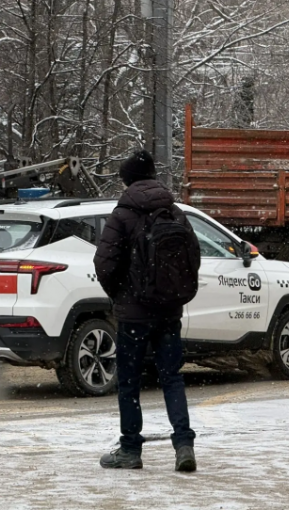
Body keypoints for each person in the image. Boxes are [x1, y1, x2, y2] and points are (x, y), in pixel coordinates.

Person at [93, 149, 201, 471]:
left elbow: (103, 263)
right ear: (153, 175)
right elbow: (193, 256)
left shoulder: (123, 214)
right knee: (172, 378)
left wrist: (121, 295)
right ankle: (183, 445)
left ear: (126, 179)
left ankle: (130, 449)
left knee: (129, 381)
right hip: (168, 311)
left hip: (133, 315)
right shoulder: (174, 212)